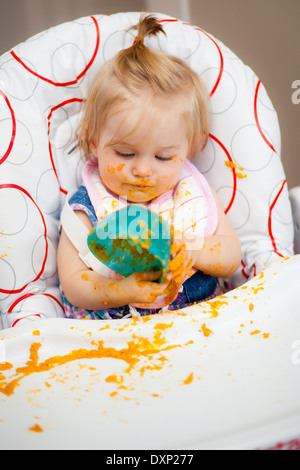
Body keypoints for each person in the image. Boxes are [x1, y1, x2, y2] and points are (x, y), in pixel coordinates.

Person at [57, 14, 241, 320]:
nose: (143, 170)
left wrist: (194, 251)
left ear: (189, 148)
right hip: (118, 337)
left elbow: (231, 255)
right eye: (125, 154)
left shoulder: (188, 194)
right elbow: (74, 283)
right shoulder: (89, 208)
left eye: (163, 157)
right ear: (93, 142)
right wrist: (123, 289)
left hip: (201, 326)